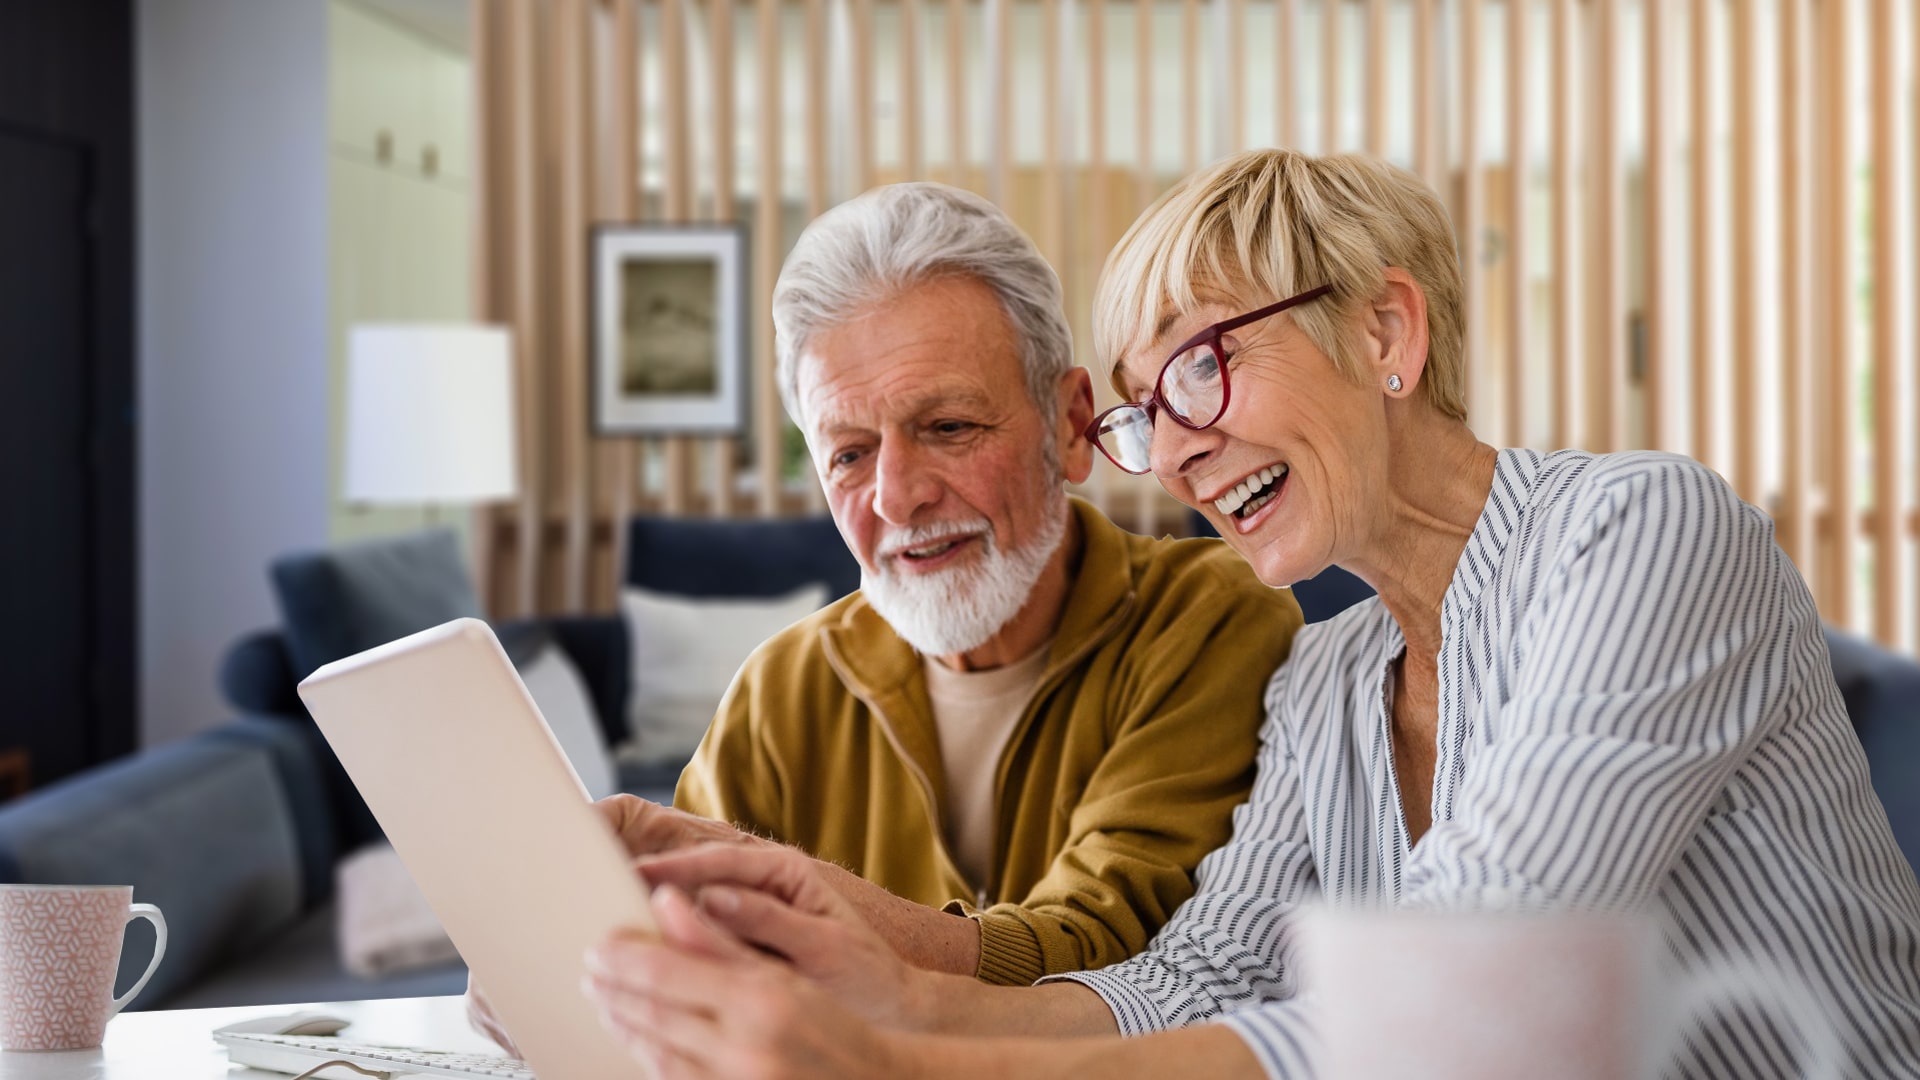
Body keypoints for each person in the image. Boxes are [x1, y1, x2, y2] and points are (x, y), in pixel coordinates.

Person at [577, 150, 1920, 1079]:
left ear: (1388, 333)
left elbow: (1448, 1003)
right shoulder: (1330, 672)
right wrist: (891, 985)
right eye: (1146, 409)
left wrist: (900, 1063)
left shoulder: (1640, 536)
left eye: (1205, 369)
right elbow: (1198, 981)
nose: (1171, 455)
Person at [472, 181, 1303, 1054]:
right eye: (850, 454)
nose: (897, 497)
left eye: (948, 426)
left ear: (1070, 426)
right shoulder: (780, 690)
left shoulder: (1211, 618)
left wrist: (789, 898)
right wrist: (561, 975)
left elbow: (1124, 956)